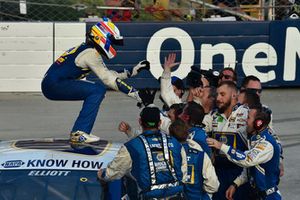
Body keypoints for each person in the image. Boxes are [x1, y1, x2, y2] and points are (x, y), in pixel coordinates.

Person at [41, 18, 150, 144]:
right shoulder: (91, 54)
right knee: (97, 90)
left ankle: (80, 131)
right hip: (54, 84)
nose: (113, 46)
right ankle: (79, 132)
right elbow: (109, 80)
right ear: (103, 37)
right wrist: (137, 95)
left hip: (52, 83)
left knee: (97, 89)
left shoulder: (88, 50)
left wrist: (133, 70)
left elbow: (108, 75)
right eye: (112, 42)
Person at [98, 106, 187, 199]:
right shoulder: (176, 143)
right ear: (160, 123)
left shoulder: (131, 147)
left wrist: (102, 174)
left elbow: (114, 172)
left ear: (140, 121)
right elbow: (184, 172)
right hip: (177, 196)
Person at [207, 104, 281, 200]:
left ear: (258, 123)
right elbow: (251, 168)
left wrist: (221, 146)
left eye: (249, 118)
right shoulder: (255, 139)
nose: (245, 121)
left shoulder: (266, 144)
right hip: (258, 195)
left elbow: (247, 160)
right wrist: (235, 184)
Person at [203, 81, 251, 200]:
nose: (218, 98)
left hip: (240, 174)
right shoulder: (212, 115)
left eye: (222, 94)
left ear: (234, 95)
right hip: (217, 174)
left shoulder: (247, 114)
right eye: (217, 95)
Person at [238, 75, 284, 177]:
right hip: (233, 158)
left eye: (260, 91)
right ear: (243, 90)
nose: (258, 94)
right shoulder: (234, 109)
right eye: (254, 91)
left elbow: (273, 136)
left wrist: (279, 160)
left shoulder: (264, 111)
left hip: (251, 159)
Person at [169, 119, 219, 199]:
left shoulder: (167, 156)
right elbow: (213, 186)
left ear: (170, 135)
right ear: (188, 134)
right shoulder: (201, 155)